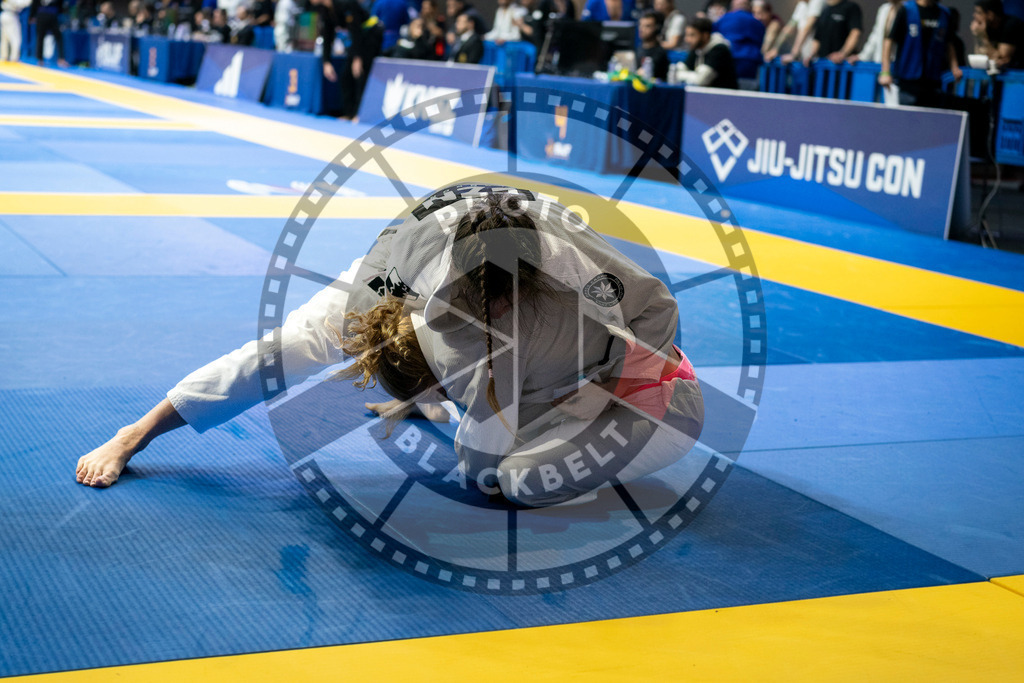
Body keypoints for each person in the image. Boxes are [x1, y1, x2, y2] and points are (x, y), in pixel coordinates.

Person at [77, 188, 704, 509]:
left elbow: (660, 312)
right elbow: (382, 323)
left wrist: (602, 383)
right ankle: (137, 432)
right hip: (414, 293)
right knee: (288, 347)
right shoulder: (393, 279)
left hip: (609, 373)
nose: (500, 315)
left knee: (507, 464)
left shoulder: (574, 264)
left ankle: (482, 400)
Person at [879, 0, 960, 106]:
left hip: (933, 82)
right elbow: (889, 41)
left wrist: (955, 67)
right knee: (907, 118)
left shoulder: (944, 14)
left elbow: (949, 43)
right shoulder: (906, 10)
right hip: (908, 81)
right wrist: (885, 71)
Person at [675, 15, 739, 87]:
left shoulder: (719, 50)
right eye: (686, 35)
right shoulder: (697, 48)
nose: (687, 39)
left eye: (692, 35)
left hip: (724, 96)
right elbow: (677, 73)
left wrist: (687, 75)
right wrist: (695, 75)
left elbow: (701, 81)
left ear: (705, 35)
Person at [713, 0, 765, 77]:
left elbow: (714, 37)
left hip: (727, 58)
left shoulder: (723, 19)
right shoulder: (757, 23)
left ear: (733, 5)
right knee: (747, 87)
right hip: (749, 61)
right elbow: (760, 42)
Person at [804, 0, 862, 65]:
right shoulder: (825, 10)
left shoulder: (851, 7)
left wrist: (842, 53)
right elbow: (817, 37)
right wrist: (812, 55)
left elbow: (855, 32)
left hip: (842, 65)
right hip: (824, 64)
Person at [971, 0, 1024, 70]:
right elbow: (980, 57)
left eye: (979, 12)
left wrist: (983, 37)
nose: (974, 15)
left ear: (990, 15)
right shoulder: (987, 27)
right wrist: (978, 36)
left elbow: (1001, 59)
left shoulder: (1011, 25)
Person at [30, 0, 67, 66]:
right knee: (41, 37)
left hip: (49, 15)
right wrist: (32, 15)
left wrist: (32, 15)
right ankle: (40, 59)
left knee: (56, 37)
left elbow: (60, 5)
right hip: (46, 14)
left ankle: (60, 59)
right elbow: (35, 3)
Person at [637, 9, 669, 79]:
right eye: (641, 25)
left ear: (657, 28)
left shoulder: (660, 53)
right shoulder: (637, 50)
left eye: (647, 26)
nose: (642, 29)